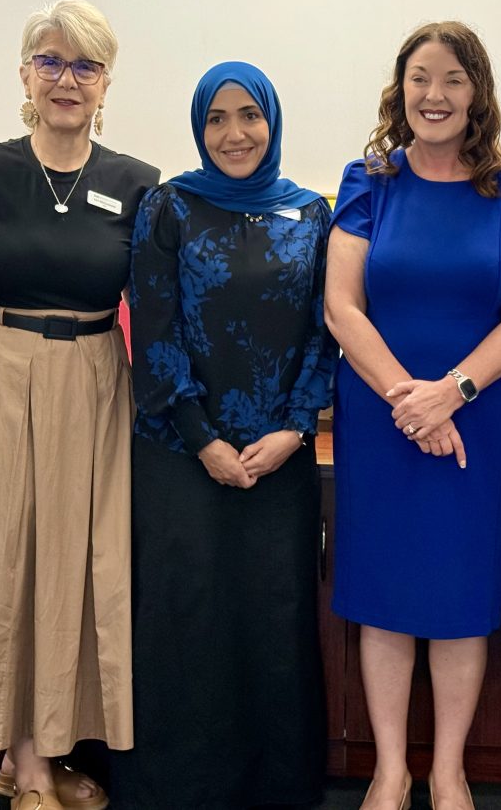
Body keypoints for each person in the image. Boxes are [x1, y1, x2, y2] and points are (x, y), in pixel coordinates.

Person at [0, 0, 159, 810]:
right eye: (50, 61)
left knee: (79, 571)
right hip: (2, 374)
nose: (66, 79)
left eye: (85, 65)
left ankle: (47, 753)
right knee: (7, 564)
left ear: (105, 82)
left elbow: (151, 302)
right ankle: (23, 763)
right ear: (25, 74)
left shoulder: (137, 183)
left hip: (95, 382)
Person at [326, 22, 501, 810]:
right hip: (381, 418)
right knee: (385, 597)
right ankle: (390, 771)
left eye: (454, 79)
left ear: (477, 92)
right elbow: (342, 307)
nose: (435, 94)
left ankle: (449, 771)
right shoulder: (369, 182)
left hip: (481, 420)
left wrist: (450, 393)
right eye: (420, 77)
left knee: (461, 601)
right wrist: (410, 400)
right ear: (401, 90)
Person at [109, 61, 337, 809]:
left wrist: (295, 429)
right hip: (181, 453)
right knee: (186, 614)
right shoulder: (170, 207)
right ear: (199, 127)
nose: (234, 133)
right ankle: (179, 787)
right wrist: (202, 438)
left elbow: (325, 331)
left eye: (249, 116)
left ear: (272, 121)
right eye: (217, 118)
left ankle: (276, 786)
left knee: (274, 616)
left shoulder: (312, 214)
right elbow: (154, 326)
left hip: (280, 458)